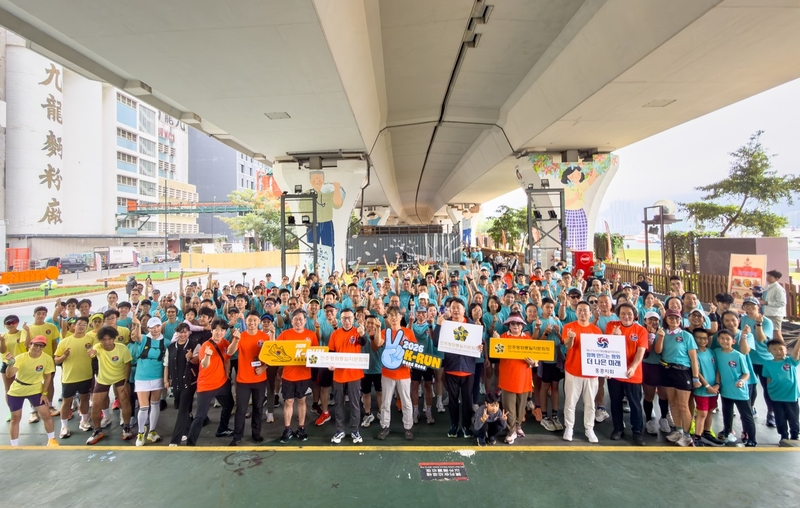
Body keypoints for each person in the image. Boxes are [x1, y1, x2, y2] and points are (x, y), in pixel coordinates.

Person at [266, 309, 318, 444]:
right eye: (295, 319)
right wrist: (272, 334)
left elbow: (316, 355)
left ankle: (301, 428)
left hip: (304, 375)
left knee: (302, 401)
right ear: (292, 321)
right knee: (288, 402)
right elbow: (275, 350)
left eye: (301, 319)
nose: (298, 321)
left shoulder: (311, 335)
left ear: (305, 321)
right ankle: (287, 429)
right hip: (288, 375)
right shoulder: (285, 334)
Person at [433, 299, 479, 439]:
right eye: (453, 307)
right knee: (452, 400)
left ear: (464, 310)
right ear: (450, 310)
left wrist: (480, 346)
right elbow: (436, 342)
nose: (456, 310)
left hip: (468, 369)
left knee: (467, 400)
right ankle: (453, 425)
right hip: (451, 368)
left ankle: (466, 426)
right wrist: (438, 325)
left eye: (458, 307)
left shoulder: (472, 325)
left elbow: (479, 344)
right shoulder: (445, 324)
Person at [654, 309, 700, 447]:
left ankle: (687, 435)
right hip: (667, 370)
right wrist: (660, 337)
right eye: (671, 318)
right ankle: (679, 430)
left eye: (676, 318)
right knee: (673, 403)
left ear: (680, 320)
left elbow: (694, 359)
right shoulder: (662, 333)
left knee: (683, 405)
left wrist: (695, 377)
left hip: (682, 372)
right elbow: (658, 351)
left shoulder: (686, 336)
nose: (674, 320)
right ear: (666, 319)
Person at [186, 319, 235, 446]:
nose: (219, 332)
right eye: (216, 330)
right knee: (201, 416)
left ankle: (222, 429)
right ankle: (190, 442)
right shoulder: (206, 346)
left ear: (225, 332)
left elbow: (228, 358)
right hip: (206, 386)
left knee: (229, 405)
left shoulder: (225, 343)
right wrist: (207, 356)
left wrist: (227, 374)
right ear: (212, 330)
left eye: (222, 330)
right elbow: (204, 365)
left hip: (222, 383)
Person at [3, 335, 58, 446]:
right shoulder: (21, 357)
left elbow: (48, 377)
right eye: (36, 345)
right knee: (15, 418)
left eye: (41, 346)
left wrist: (44, 393)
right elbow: (9, 374)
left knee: (46, 415)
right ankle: (14, 445)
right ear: (30, 345)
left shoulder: (47, 359)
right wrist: (10, 363)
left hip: (36, 390)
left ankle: (52, 440)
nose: (38, 348)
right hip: (17, 390)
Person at [605, 303, 648, 445]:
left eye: (629, 313)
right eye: (623, 313)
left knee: (635, 404)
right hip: (615, 372)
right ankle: (618, 428)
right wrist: (614, 337)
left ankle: (637, 432)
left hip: (633, 374)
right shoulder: (612, 326)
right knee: (615, 401)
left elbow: (641, 351)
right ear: (618, 315)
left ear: (634, 315)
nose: (626, 316)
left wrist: (633, 367)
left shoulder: (641, 330)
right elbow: (606, 348)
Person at [561, 301, 602, 443]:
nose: (582, 313)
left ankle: (589, 429)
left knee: (590, 403)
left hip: (591, 374)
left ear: (591, 313)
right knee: (570, 402)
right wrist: (571, 337)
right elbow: (568, 345)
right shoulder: (568, 327)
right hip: (573, 371)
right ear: (576, 312)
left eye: (585, 310)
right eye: (580, 310)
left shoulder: (596, 331)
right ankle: (569, 427)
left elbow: (601, 353)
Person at [86, 326, 133, 445]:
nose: (107, 342)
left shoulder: (122, 348)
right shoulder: (98, 347)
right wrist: (91, 353)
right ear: (100, 340)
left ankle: (127, 427)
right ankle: (97, 431)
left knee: (125, 401)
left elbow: (127, 364)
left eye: (109, 339)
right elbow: (93, 352)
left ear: (114, 338)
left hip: (120, 378)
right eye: (104, 339)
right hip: (103, 379)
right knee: (96, 405)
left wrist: (126, 382)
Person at [227, 312, 269, 445]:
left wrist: (264, 367)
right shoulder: (241, 336)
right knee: (241, 409)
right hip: (243, 380)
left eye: (255, 320)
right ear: (245, 321)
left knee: (258, 408)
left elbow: (272, 356)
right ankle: (237, 436)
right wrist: (236, 340)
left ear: (259, 322)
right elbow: (230, 352)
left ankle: (256, 434)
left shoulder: (265, 337)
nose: (252, 323)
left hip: (260, 379)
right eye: (249, 320)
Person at [375, 306, 415, 440]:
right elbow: (378, 343)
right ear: (388, 317)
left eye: (396, 315)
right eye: (391, 315)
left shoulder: (408, 332)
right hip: (387, 373)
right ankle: (385, 426)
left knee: (406, 402)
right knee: (385, 402)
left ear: (400, 317)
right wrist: (377, 329)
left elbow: (414, 350)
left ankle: (408, 427)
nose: (393, 317)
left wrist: (410, 360)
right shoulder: (384, 332)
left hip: (404, 373)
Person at [494, 313, 535, 444]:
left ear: (522, 325)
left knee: (521, 406)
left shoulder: (528, 339)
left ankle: (517, 426)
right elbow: (495, 355)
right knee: (508, 407)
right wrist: (496, 341)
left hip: (524, 377)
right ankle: (511, 430)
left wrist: (534, 362)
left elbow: (536, 357)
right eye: (513, 323)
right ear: (509, 325)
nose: (515, 325)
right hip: (508, 378)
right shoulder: (503, 337)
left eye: (518, 323)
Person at [328, 308, 367, 444]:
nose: (347, 321)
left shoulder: (357, 332)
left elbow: (363, 342)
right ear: (340, 319)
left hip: (354, 374)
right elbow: (331, 353)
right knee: (339, 403)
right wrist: (330, 364)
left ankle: (355, 430)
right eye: (344, 318)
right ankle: (340, 430)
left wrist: (362, 334)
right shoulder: (335, 334)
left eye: (349, 318)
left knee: (355, 403)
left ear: (353, 319)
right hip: (338, 375)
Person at [53, 316, 95, 437]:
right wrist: (64, 356)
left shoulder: (91, 340)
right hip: (69, 377)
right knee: (67, 402)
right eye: (79, 324)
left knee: (85, 399)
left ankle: (84, 421)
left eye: (84, 325)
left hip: (86, 375)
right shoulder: (65, 341)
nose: (81, 327)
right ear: (74, 326)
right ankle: (64, 426)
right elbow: (56, 360)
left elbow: (96, 353)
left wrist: (94, 354)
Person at [714, 329, 756, 447]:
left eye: (728, 339)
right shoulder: (716, 352)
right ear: (718, 340)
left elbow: (746, 373)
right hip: (725, 391)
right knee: (727, 414)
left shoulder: (739, 356)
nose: (724, 341)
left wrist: (741, 381)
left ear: (733, 341)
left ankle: (752, 439)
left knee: (746, 416)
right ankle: (727, 433)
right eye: (722, 338)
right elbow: (717, 370)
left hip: (740, 392)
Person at [128, 316, 164, 446]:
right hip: (142, 377)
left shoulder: (165, 342)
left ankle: (152, 431)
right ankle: (140, 432)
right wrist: (137, 324)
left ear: (161, 326)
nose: (155, 329)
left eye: (158, 326)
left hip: (158, 376)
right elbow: (137, 336)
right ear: (148, 328)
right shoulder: (143, 338)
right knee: (144, 407)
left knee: (155, 404)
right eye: (152, 327)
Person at [164, 322, 198, 446]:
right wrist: (166, 380)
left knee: (182, 410)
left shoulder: (195, 345)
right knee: (182, 407)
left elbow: (198, 360)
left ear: (189, 332)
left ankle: (175, 439)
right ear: (176, 333)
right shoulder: (171, 347)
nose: (183, 334)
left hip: (189, 383)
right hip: (176, 383)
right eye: (180, 332)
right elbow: (166, 365)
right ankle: (188, 428)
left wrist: (190, 358)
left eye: (185, 332)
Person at [762, 338, 800, 446]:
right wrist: (770, 392)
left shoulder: (790, 361)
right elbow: (768, 379)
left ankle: (795, 435)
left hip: (791, 396)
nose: (778, 351)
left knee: (793, 417)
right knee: (780, 418)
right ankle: (784, 436)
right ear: (769, 350)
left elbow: (796, 351)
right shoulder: (767, 364)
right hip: (776, 397)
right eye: (774, 349)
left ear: (786, 350)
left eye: (781, 349)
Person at [691, 329, 724, 447]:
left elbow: (717, 369)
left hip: (714, 390)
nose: (702, 340)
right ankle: (697, 437)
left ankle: (707, 432)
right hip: (702, 390)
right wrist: (707, 386)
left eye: (704, 338)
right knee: (702, 413)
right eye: (699, 338)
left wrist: (717, 384)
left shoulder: (711, 352)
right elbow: (698, 373)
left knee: (710, 411)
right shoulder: (694, 354)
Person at [761, 270, 787, 341]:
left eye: (770, 276)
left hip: (775, 314)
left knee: (776, 333)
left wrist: (766, 302)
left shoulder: (779, 289)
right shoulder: (767, 286)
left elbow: (782, 302)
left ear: (776, 278)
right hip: (766, 313)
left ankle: (782, 347)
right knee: (768, 332)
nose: (768, 278)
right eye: (767, 276)